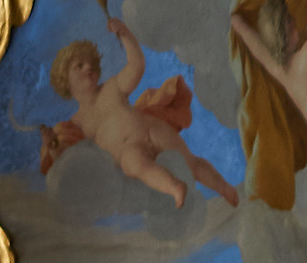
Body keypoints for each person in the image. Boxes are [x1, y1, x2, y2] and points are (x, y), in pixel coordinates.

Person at [39, 26, 239, 205]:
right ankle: (174, 188)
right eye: (79, 66)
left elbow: (136, 65)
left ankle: (224, 188)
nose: (89, 67)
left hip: (151, 129)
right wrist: (54, 147)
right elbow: (72, 160)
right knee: (135, 166)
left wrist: (126, 36)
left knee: (190, 162)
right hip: (128, 152)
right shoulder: (77, 123)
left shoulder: (112, 87)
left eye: (91, 63)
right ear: (64, 80)